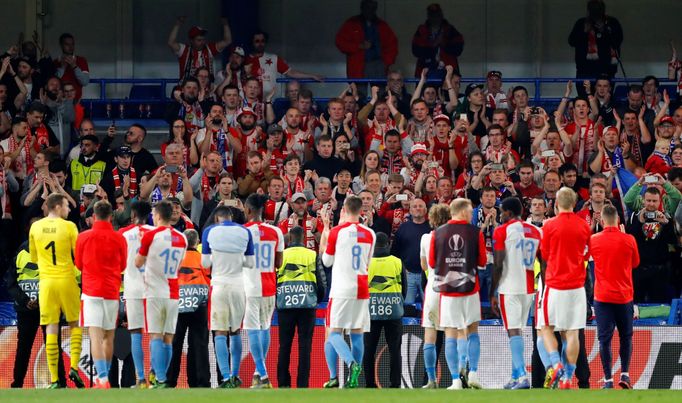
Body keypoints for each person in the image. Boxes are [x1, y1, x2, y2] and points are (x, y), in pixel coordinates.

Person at [429, 198, 486, 390]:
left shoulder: (437, 233)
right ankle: (473, 373)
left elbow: (431, 263)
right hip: (470, 289)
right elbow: (483, 261)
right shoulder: (475, 232)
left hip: (448, 292)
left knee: (450, 334)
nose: (471, 215)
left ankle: (455, 381)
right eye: (470, 212)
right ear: (462, 211)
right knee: (472, 332)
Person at [28, 193, 84, 388]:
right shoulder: (69, 226)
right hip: (67, 280)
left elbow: (34, 258)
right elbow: (78, 255)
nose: (69, 209)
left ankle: (54, 379)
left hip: (46, 283)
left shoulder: (35, 227)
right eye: (67, 206)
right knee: (75, 323)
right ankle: (74, 367)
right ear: (58, 206)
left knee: (51, 327)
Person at [320, 196, 376, 388]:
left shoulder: (337, 232)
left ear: (344, 209)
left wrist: (327, 234)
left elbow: (326, 262)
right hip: (361, 288)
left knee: (334, 333)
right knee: (357, 333)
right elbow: (368, 263)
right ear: (361, 210)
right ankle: (354, 379)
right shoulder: (370, 234)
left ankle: (350, 364)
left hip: (341, 288)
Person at [540, 187, 592, 389]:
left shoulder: (550, 226)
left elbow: (544, 254)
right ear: (574, 203)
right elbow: (587, 254)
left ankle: (556, 364)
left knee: (546, 327)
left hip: (555, 284)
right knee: (572, 332)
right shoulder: (584, 226)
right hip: (577, 286)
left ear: (556, 203)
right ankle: (569, 378)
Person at [134, 200, 188, 388]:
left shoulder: (151, 235)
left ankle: (161, 379)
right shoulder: (182, 238)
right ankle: (162, 379)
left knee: (156, 336)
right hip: (173, 293)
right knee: (168, 338)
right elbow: (180, 266)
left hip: (154, 292)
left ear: (157, 216)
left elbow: (138, 263)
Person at [490, 197, 542, 390]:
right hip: (529, 288)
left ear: (509, 213)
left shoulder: (502, 230)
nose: (500, 214)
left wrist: (491, 292)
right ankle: (514, 376)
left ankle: (521, 376)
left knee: (513, 331)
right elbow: (543, 262)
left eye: (502, 211)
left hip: (509, 287)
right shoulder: (536, 231)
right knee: (518, 331)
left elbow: (498, 264)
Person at [75, 200, 127, 388]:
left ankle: (102, 379)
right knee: (108, 337)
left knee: (95, 337)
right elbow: (123, 266)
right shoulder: (119, 237)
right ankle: (104, 378)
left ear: (94, 216)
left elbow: (78, 265)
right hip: (112, 292)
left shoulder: (83, 237)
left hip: (91, 292)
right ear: (111, 217)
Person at [201, 205, 254, 388]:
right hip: (239, 285)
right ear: (231, 217)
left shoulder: (209, 232)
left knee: (219, 332)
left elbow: (205, 263)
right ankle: (235, 375)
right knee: (236, 331)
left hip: (219, 285)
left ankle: (224, 377)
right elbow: (250, 263)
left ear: (217, 218)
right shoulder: (245, 232)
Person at [6, 231, 66, 388]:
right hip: (30, 309)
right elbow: (11, 282)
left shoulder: (51, 254)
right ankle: (19, 383)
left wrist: (33, 301)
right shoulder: (21, 254)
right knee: (31, 347)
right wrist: (26, 300)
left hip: (42, 307)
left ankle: (58, 382)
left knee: (45, 346)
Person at [591, 204, 639, 389]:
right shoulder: (629, 239)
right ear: (618, 220)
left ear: (602, 221)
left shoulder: (594, 239)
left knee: (604, 339)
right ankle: (625, 375)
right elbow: (635, 263)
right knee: (626, 336)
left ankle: (608, 379)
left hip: (602, 297)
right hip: (624, 296)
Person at [242, 194, 285, 389]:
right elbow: (279, 263)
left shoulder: (242, 232)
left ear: (248, 210)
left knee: (252, 328)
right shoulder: (276, 231)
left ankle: (263, 373)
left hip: (249, 286)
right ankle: (259, 374)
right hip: (269, 286)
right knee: (264, 327)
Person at [276, 226, 326, 388]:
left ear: (289, 239)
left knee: (284, 346)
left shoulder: (281, 255)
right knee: (305, 347)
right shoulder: (312, 254)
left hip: (285, 306)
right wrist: (315, 299)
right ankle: (302, 385)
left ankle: (283, 384)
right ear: (304, 239)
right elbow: (322, 283)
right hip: (307, 307)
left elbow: (274, 279)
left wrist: (279, 299)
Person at [167, 229, 211, 388]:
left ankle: (169, 380)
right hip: (200, 306)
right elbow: (209, 278)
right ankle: (200, 382)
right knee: (199, 344)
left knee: (175, 343)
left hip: (178, 305)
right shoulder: (202, 258)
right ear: (197, 242)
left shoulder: (176, 258)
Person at [119, 200, 155, 388]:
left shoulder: (123, 233)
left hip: (132, 288)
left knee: (136, 333)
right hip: (154, 288)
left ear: (133, 216)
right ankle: (156, 374)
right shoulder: (157, 232)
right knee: (155, 333)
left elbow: (118, 261)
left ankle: (140, 378)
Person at [364, 232, 406, 388]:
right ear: (388, 244)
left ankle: (369, 384)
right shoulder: (397, 262)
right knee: (395, 350)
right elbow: (404, 289)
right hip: (394, 311)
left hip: (371, 312)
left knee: (369, 350)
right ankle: (395, 384)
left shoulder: (366, 263)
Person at [626, 187, 676, 303]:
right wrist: (640, 222)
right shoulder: (635, 216)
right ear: (643, 200)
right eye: (648, 200)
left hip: (659, 270)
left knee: (658, 305)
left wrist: (666, 224)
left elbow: (673, 241)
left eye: (654, 201)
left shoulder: (666, 217)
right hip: (638, 270)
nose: (651, 204)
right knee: (636, 305)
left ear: (660, 202)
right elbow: (628, 240)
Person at [419, 203, 450, 388]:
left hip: (433, 289)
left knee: (430, 336)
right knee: (454, 335)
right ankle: (456, 378)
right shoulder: (457, 237)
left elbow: (423, 265)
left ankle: (431, 379)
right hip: (452, 289)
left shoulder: (425, 238)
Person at [245, 30, 322, 99]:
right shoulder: (246, 60)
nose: (260, 44)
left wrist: (312, 76)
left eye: (263, 41)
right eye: (257, 41)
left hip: (272, 102)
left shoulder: (274, 58)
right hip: (252, 102)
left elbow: (291, 73)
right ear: (252, 42)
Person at [335, 0, 398, 79]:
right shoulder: (352, 23)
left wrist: (386, 63)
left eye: (373, 8)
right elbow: (340, 42)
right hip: (358, 66)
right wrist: (359, 46)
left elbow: (392, 45)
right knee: (359, 90)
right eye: (368, 7)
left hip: (379, 65)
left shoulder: (382, 25)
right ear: (362, 8)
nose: (370, 10)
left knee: (380, 90)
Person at [568, 0, 623, 81]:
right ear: (589, 11)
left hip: (606, 69)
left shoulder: (612, 22)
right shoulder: (581, 23)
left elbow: (617, 41)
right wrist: (584, 32)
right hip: (585, 70)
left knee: (605, 93)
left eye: (598, 10)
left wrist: (604, 31)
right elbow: (571, 41)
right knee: (584, 93)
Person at [390, 198, 430, 304]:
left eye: (420, 206)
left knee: (430, 307)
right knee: (407, 307)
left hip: (427, 275)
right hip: (408, 275)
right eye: (415, 206)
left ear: (426, 210)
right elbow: (395, 252)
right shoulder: (403, 228)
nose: (418, 208)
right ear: (410, 211)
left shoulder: (432, 228)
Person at [167, 16, 232, 81]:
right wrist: (177, 24)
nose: (202, 42)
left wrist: (225, 24)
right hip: (187, 88)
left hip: (207, 88)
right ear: (191, 40)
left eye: (203, 40)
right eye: (199, 40)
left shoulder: (209, 48)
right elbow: (171, 42)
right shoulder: (184, 50)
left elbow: (227, 41)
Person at [411, 3, 464, 77]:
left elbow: (458, 49)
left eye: (437, 15)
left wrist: (444, 45)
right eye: (432, 15)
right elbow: (415, 50)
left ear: (441, 15)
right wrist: (431, 49)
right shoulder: (422, 30)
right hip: (425, 69)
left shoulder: (450, 30)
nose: (435, 17)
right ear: (429, 16)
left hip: (447, 69)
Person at [53, 33, 89, 100]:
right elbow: (54, 84)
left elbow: (85, 82)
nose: (70, 47)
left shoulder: (81, 61)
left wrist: (74, 66)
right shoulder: (55, 62)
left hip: (76, 102)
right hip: (60, 102)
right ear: (61, 45)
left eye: (72, 44)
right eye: (67, 44)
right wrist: (62, 68)